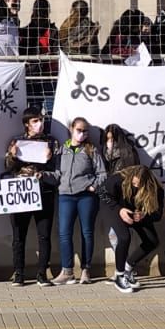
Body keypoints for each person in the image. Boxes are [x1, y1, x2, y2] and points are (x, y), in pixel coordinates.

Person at [4, 110, 58, 286]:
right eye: (35, 120)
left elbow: (58, 169)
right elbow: (8, 167)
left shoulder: (51, 141)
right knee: (19, 235)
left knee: (44, 235)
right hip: (21, 193)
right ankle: (19, 273)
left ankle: (42, 273)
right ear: (27, 123)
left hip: (44, 192)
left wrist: (49, 162)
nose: (39, 124)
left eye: (41, 120)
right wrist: (12, 154)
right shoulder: (17, 141)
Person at [52, 115, 106, 285]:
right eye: (79, 130)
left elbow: (103, 174)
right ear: (71, 130)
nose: (82, 134)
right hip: (65, 196)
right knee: (64, 233)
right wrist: (42, 176)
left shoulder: (91, 150)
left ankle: (86, 270)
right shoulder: (61, 150)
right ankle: (67, 271)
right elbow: (56, 174)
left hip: (86, 196)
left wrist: (93, 186)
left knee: (87, 232)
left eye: (85, 131)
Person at [102, 154, 162, 295]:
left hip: (137, 213)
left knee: (152, 241)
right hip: (115, 207)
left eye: (139, 185)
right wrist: (119, 210)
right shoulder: (118, 178)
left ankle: (128, 268)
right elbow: (102, 194)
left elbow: (158, 214)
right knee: (124, 237)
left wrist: (144, 215)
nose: (136, 186)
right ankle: (119, 275)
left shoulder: (157, 190)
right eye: (133, 184)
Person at [21, 0, 60, 111]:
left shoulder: (50, 30)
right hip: (38, 73)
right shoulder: (29, 30)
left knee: (39, 106)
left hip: (43, 73)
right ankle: (46, 127)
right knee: (47, 107)